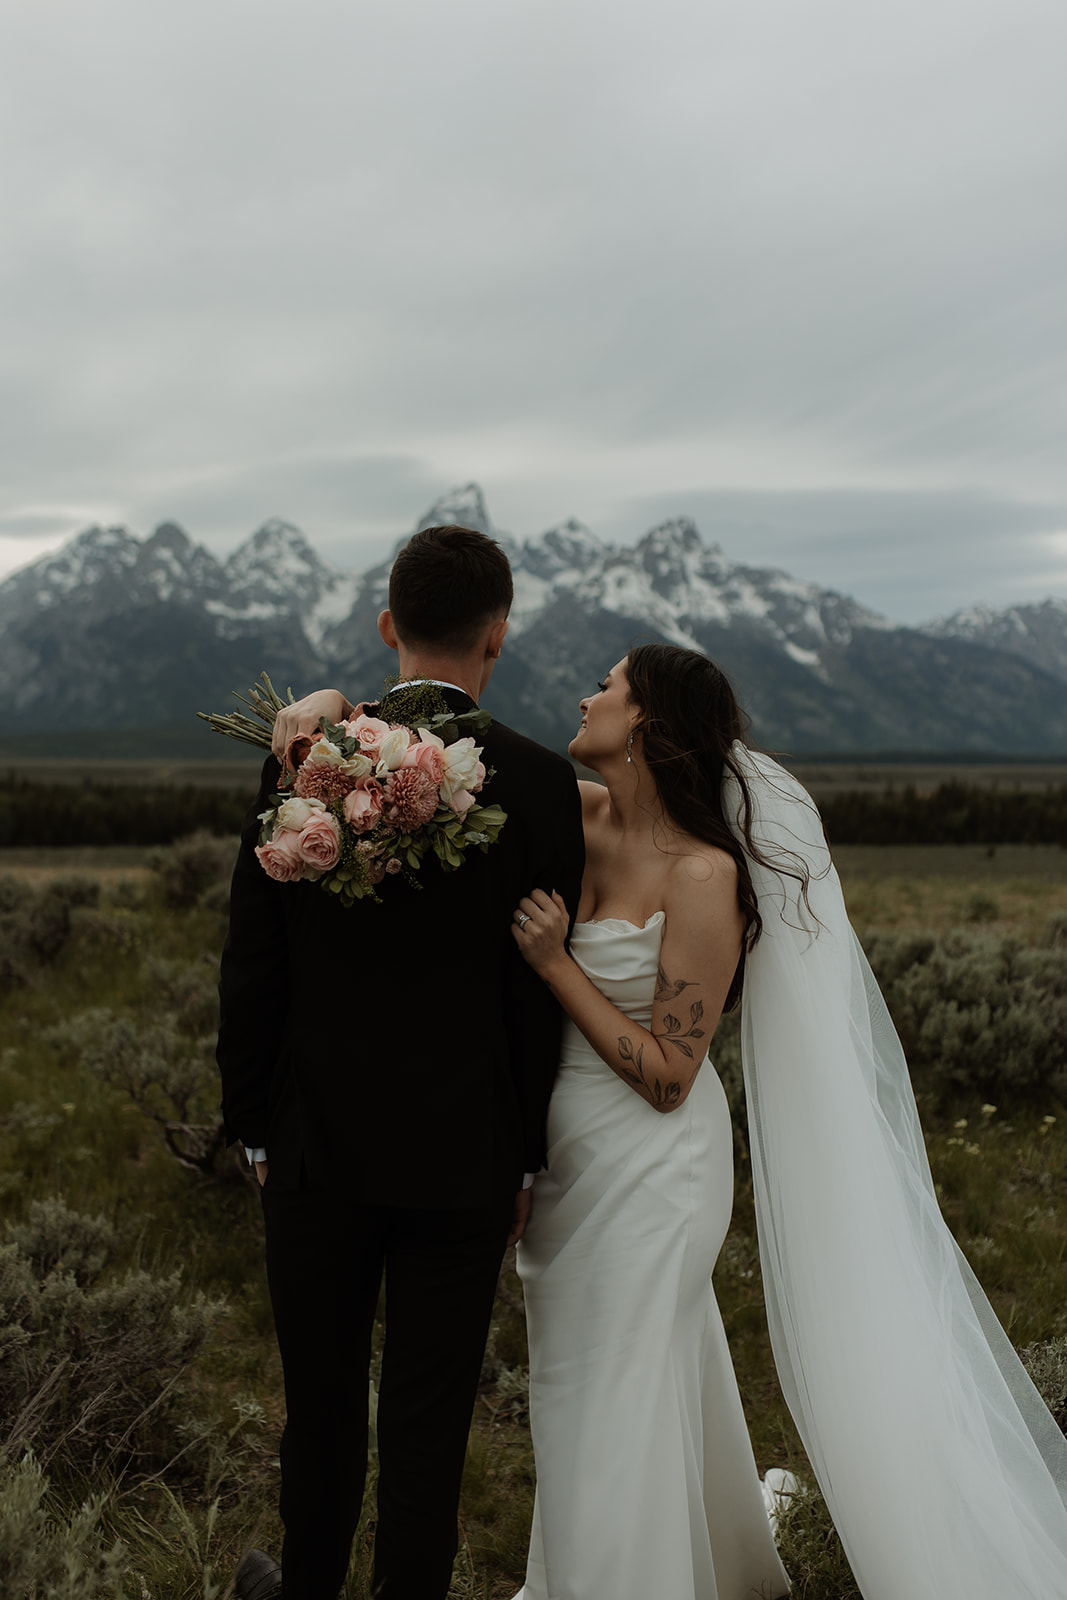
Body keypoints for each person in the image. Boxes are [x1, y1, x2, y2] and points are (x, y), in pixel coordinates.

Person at [507, 642, 1067, 1600]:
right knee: (610, 1383)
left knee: (602, 1394)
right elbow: (470, 768)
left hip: (653, 1167)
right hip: (566, 1167)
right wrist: (322, 711)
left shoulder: (700, 878)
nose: (586, 696)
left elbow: (672, 1075)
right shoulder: (580, 815)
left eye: (606, 685)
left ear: (642, 722)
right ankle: (694, 1567)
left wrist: (559, 966)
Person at [216, 524, 585, 1600]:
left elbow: (254, 961)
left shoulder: (302, 759)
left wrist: (253, 1126)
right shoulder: (540, 784)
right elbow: (535, 991)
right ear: (498, 637)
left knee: (320, 1411)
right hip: (463, 1159)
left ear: (387, 626)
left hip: (313, 1149)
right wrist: (520, 1159)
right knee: (427, 1431)